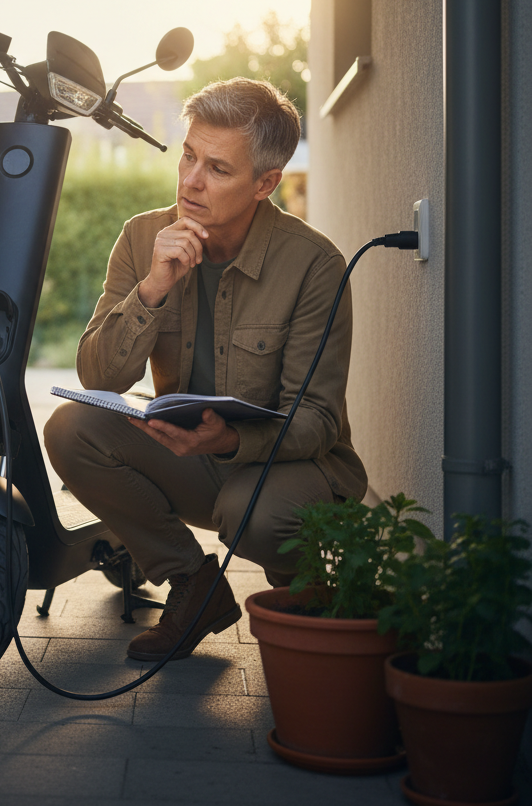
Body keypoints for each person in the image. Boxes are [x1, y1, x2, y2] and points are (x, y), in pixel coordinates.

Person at [44, 77, 367, 661]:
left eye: (218, 169)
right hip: (188, 458)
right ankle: (194, 583)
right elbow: (99, 377)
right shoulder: (143, 236)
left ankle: (307, 593)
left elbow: (317, 419)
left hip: (280, 468)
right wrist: (154, 286)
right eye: (189, 155)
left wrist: (233, 438)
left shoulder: (315, 265)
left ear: (265, 184)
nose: (191, 181)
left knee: (256, 514)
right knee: (71, 428)